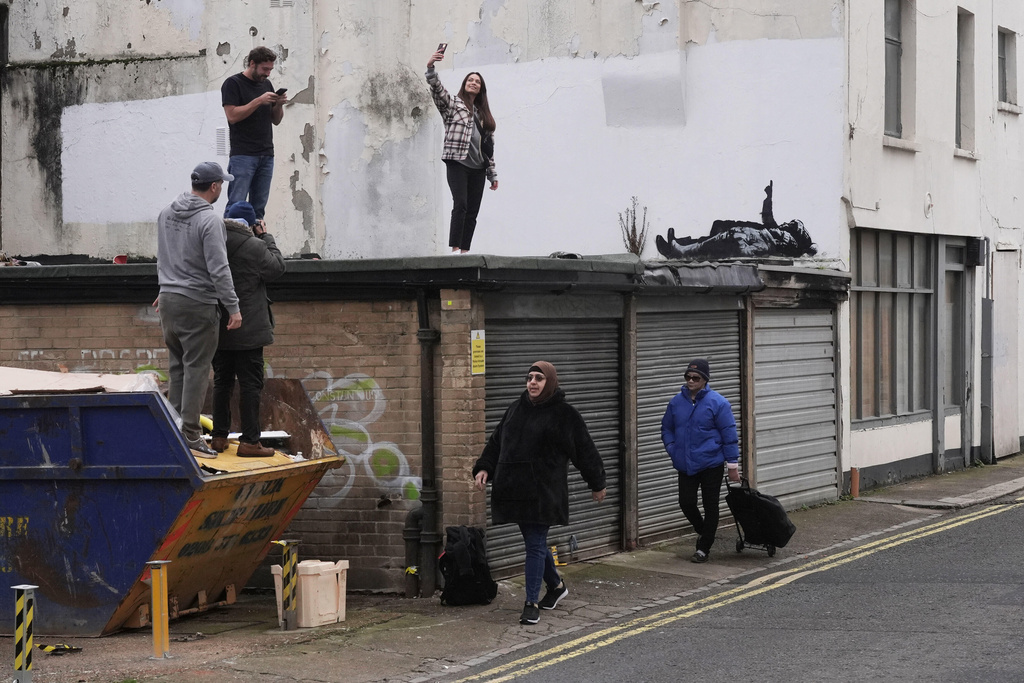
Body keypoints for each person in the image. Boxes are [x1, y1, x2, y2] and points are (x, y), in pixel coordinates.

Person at [473, 361, 607, 626]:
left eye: (539, 378)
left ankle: (531, 602)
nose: (532, 382)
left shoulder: (564, 414)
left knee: (534, 544)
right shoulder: (515, 409)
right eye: (530, 377)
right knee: (535, 542)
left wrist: (597, 482)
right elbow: (496, 442)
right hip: (514, 488)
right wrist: (484, 468)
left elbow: (585, 450)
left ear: (551, 383)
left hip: (544, 491)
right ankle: (556, 586)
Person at [157, 162, 242, 458]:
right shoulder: (210, 220)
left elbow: (164, 257)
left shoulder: (166, 213)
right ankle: (191, 436)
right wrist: (233, 307)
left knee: (177, 367)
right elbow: (219, 269)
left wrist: (163, 290)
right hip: (197, 303)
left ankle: (172, 431)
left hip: (169, 302)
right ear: (215, 186)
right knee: (196, 370)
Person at [210, 201, 287, 458]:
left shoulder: (212, 242)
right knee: (250, 385)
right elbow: (277, 268)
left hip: (219, 327)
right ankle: (250, 442)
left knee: (222, 382)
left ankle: (218, 437)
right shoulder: (255, 246)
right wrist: (266, 236)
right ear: (252, 223)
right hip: (249, 330)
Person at [661, 359, 740, 563]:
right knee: (686, 502)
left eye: (695, 378)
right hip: (685, 464)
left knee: (710, 504)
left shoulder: (718, 403)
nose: (690, 381)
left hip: (711, 463)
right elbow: (666, 428)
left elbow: (729, 434)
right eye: (687, 377)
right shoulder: (676, 402)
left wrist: (732, 466)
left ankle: (703, 548)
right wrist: (672, 449)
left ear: (705, 380)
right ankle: (704, 530)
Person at [426, 48, 498, 254]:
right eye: (470, 80)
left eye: (477, 81)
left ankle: (465, 250)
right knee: (461, 204)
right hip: (457, 162)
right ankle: (455, 248)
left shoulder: (484, 115)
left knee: (473, 211)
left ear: (481, 88)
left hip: (478, 168)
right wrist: (430, 67)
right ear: (465, 84)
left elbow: (489, 149)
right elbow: (438, 90)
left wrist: (492, 174)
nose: (473, 82)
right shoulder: (453, 104)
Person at [221, 46, 288, 220]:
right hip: (243, 155)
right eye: (265, 69)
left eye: (270, 69)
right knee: (236, 206)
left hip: (266, 154)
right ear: (252, 63)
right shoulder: (233, 83)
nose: (268, 74)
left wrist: (279, 104)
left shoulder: (266, 84)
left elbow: (276, 120)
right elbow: (232, 116)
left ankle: (256, 245)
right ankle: (231, 245)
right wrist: (258, 101)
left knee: (258, 209)